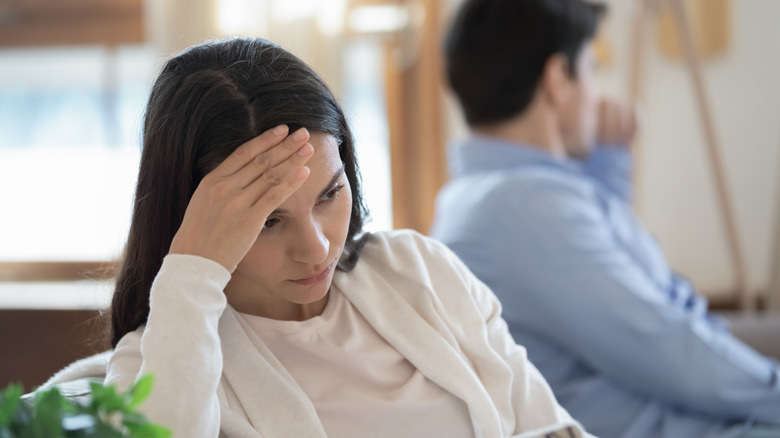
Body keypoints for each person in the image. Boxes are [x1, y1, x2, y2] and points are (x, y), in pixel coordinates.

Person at [42, 37, 599, 438]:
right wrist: (190, 273)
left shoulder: (418, 270)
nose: (316, 249)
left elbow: (548, 423)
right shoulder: (164, 358)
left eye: (329, 194)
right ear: (199, 222)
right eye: (267, 221)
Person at [429, 1, 780, 438]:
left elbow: (622, 271)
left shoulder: (490, 194)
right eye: (592, 69)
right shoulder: (526, 209)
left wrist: (605, 159)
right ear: (557, 79)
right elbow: (663, 346)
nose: (598, 93)